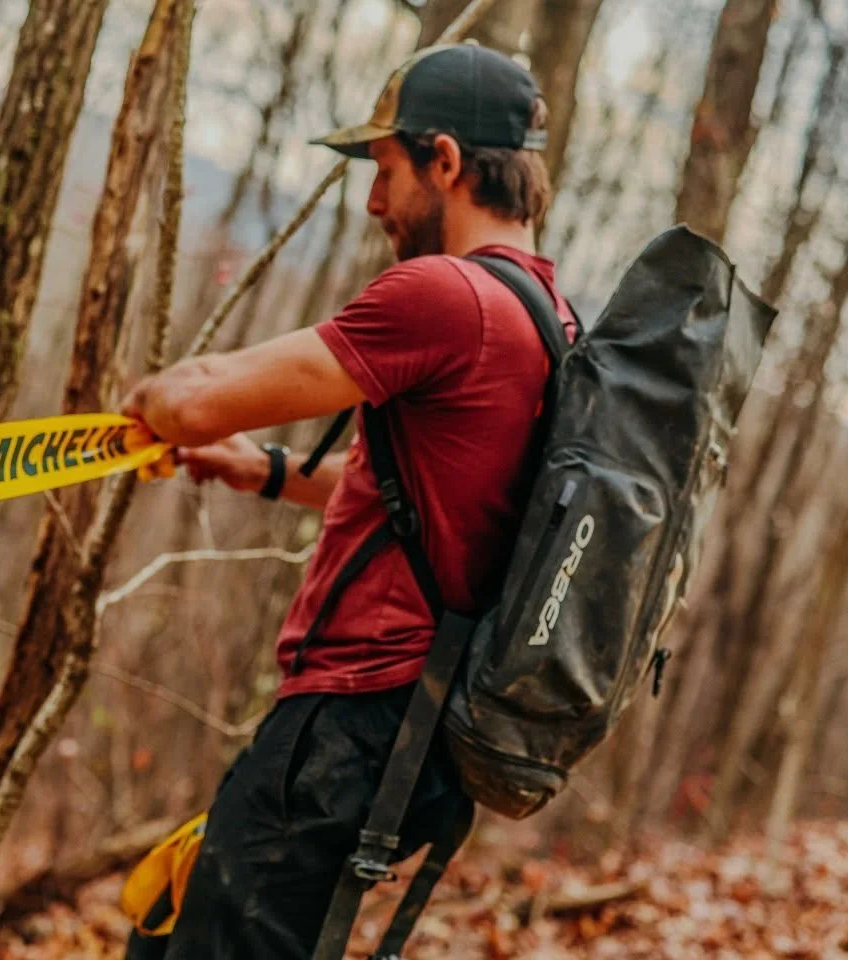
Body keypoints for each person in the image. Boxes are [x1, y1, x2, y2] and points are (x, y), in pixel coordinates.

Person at [120, 43, 578, 960]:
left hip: (351, 719)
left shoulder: (447, 295)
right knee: (173, 931)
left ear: (445, 161)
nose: (373, 202)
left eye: (384, 168)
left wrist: (150, 401)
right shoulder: (547, 318)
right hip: (414, 729)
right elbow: (431, 500)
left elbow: (191, 402)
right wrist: (265, 472)